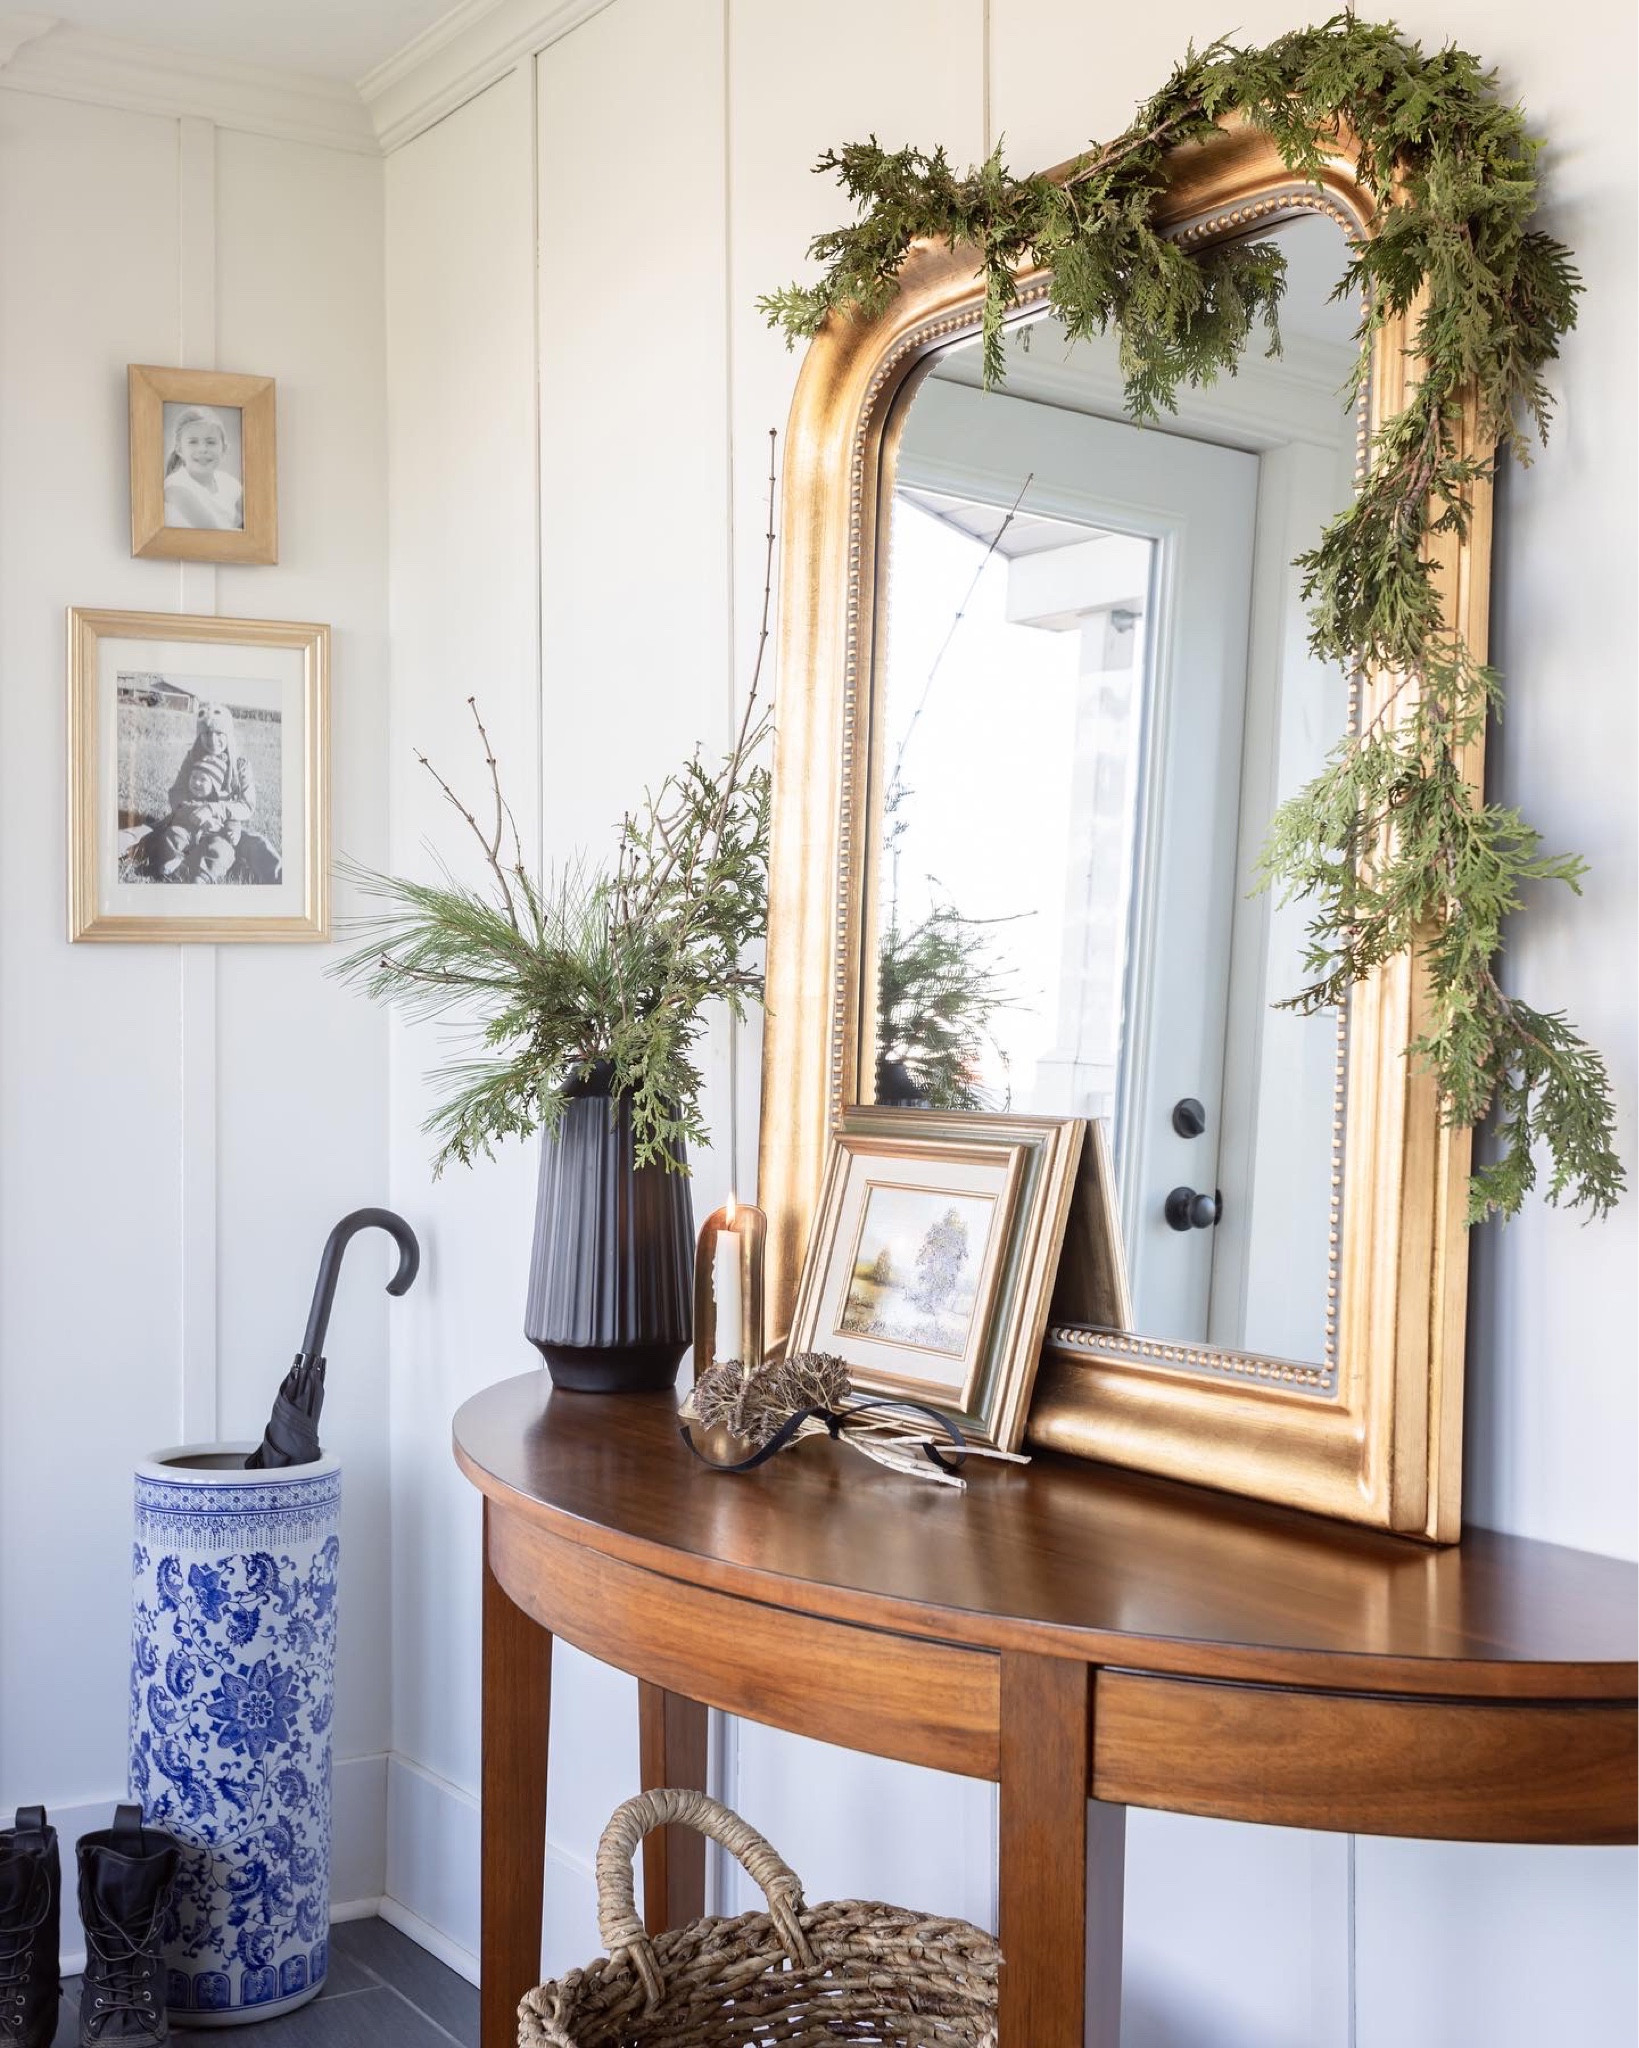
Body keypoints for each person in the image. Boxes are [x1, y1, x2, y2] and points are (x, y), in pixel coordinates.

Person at [142, 703, 256, 882]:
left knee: (229, 850)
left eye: (219, 733)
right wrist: (195, 812)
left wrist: (213, 811)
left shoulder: (240, 765)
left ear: (228, 734)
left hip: (222, 827)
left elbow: (247, 806)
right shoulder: (193, 758)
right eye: (206, 733)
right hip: (188, 820)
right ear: (199, 735)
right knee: (167, 835)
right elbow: (176, 793)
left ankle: (203, 876)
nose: (212, 740)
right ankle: (171, 863)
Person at [162, 406, 244, 531]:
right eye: (193, 442)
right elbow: (213, 535)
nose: (203, 449)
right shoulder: (175, 486)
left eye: (210, 442)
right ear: (179, 449)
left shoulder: (230, 483)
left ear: (224, 449)